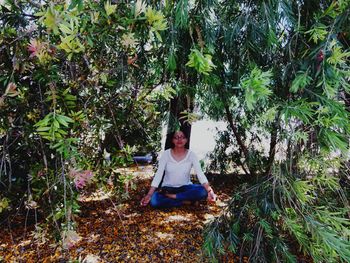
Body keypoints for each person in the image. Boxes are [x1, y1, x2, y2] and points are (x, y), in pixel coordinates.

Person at [140, 128, 217, 208]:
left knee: (202, 191)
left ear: (186, 140)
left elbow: (200, 174)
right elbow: (158, 175)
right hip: (168, 188)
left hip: (185, 188)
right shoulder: (166, 154)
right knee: (154, 201)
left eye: (182, 137)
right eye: (176, 137)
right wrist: (149, 194)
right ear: (172, 140)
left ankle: (173, 197)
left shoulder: (191, 155)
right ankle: (185, 201)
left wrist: (210, 191)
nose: (179, 140)